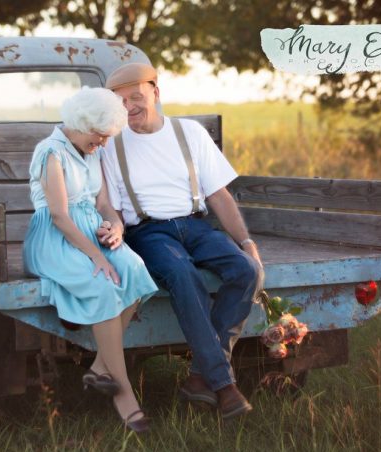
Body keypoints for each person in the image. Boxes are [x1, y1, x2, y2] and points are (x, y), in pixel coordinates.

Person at [99, 63, 263, 420]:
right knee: (181, 273)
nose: (129, 108)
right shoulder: (110, 145)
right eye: (120, 102)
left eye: (136, 97)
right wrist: (115, 227)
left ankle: (200, 377)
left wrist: (245, 241)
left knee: (246, 270)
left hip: (195, 225)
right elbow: (107, 204)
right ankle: (225, 386)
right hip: (149, 232)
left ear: (156, 92)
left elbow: (218, 195)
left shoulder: (189, 133)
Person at [23, 87, 158, 433]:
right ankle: (124, 396)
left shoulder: (92, 151)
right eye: (99, 138)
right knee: (104, 285)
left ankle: (99, 368)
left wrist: (116, 227)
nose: (102, 145)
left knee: (137, 272)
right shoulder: (51, 152)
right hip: (58, 238)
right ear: (82, 124)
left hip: (93, 229)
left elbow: (102, 204)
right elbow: (58, 215)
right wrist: (98, 256)